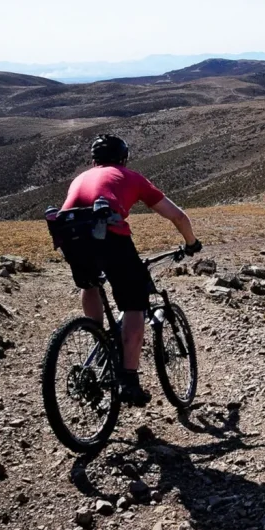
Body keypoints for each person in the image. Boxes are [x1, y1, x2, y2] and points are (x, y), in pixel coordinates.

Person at [59, 133, 201, 406]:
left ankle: (97, 336)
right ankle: (129, 380)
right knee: (135, 302)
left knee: (91, 283)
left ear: (94, 160)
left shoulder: (80, 178)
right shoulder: (131, 177)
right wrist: (191, 243)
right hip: (110, 239)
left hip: (71, 238)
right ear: (123, 159)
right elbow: (177, 216)